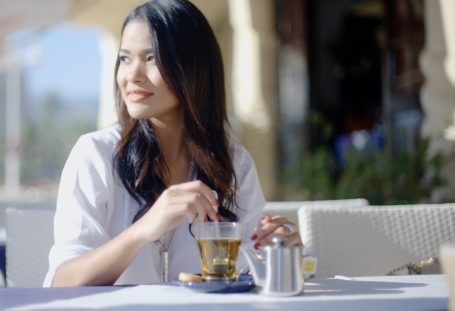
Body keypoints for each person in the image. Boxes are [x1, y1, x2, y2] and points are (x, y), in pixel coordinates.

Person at [44, 0, 301, 287]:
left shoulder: (234, 163)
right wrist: (145, 227)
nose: (132, 75)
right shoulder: (96, 155)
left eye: (151, 58)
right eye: (125, 58)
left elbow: (249, 273)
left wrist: (278, 248)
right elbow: (62, 282)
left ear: (192, 67)